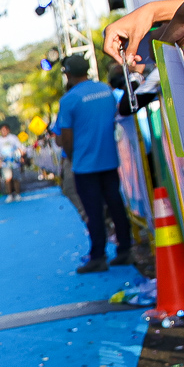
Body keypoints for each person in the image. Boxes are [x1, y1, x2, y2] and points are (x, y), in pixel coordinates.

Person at [53, 54, 131, 272]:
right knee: (116, 206)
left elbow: (65, 137)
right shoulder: (106, 91)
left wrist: (72, 157)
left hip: (85, 164)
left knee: (93, 211)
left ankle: (98, 256)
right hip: (109, 159)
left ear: (68, 74)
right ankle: (125, 250)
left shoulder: (69, 99)